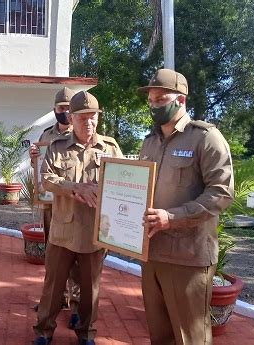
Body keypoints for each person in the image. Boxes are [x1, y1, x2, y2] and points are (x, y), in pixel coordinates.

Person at [138, 69, 234, 345]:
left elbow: (221, 192)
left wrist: (172, 217)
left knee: (190, 337)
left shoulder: (205, 138)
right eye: (151, 100)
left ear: (180, 100)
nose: (154, 104)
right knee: (160, 335)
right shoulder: (149, 142)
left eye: (160, 98)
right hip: (152, 253)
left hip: (187, 257)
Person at [33, 91, 123, 345]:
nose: (89, 122)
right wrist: (75, 187)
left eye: (93, 117)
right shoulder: (57, 147)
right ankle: (43, 331)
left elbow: (124, 183)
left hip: (95, 232)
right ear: (71, 118)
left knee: (90, 289)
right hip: (63, 231)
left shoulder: (111, 147)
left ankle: (86, 333)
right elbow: (47, 180)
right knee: (53, 287)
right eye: (82, 118)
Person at [29, 87, 81, 328]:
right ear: (55, 110)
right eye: (62, 109)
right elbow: (42, 169)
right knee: (54, 255)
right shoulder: (46, 135)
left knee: (78, 257)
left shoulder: (83, 133)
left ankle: (78, 305)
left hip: (78, 207)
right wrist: (33, 157)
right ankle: (56, 298)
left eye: (70, 109)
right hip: (52, 206)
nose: (66, 113)